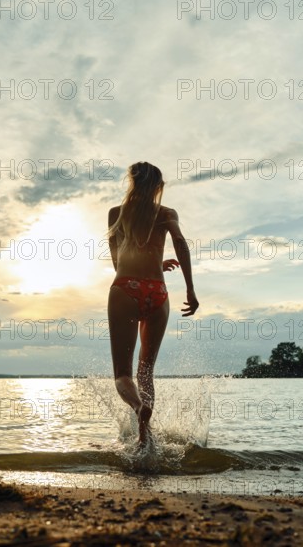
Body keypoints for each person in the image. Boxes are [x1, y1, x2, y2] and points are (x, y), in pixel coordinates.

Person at [107, 161, 199, 444]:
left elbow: (118, 262)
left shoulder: (115, 214)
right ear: (159, 187)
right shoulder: (167, 213)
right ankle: (145, 438)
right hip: (158, 292)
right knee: (146, 372)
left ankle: (138, 408)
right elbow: (181, 243)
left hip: (125, 289)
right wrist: (190, 290)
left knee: (123, 374)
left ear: (131, 182)